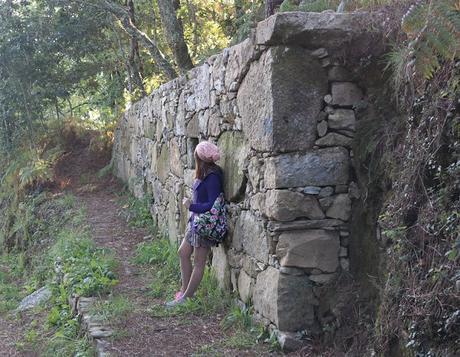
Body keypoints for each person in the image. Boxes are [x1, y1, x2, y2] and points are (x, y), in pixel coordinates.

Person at [165, 141, 224, 307]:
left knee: (199, 262)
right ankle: (184, 291)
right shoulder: (205, 172)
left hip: (204, 224)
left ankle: (187, 298)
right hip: (195, 222)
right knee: (183, 252)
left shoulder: (212, 177)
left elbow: (213, 205)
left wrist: (191, 206)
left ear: (199, 157)